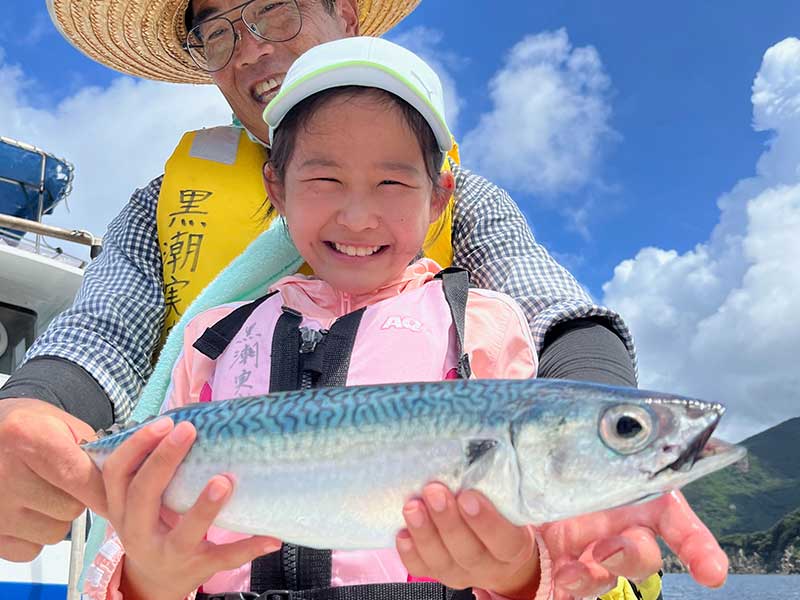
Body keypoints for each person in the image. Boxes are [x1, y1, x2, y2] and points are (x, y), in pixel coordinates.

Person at [0, 1, 725, 597]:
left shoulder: (461, 198)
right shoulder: (163, 206)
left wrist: (604, 443)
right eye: (217, 29)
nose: (250, 48)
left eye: (274, 10)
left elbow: (551, 305)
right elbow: (100, 335)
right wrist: (29, 411)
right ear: (278, 191)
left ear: (345, 13)